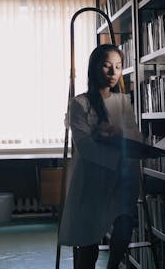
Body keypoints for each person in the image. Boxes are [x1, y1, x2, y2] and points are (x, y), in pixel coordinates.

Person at [58, 44, 143, 269]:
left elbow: (135, 136)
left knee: (124, 225)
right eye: (107, 66)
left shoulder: (123, 102)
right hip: (92, 177)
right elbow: (84, 145)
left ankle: (113, 266)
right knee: (88, 243)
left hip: (121, 178)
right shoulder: (80, 103)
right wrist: (109, 146)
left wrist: (118, 133)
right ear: (94, 68)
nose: (114, 73)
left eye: (118, 66)